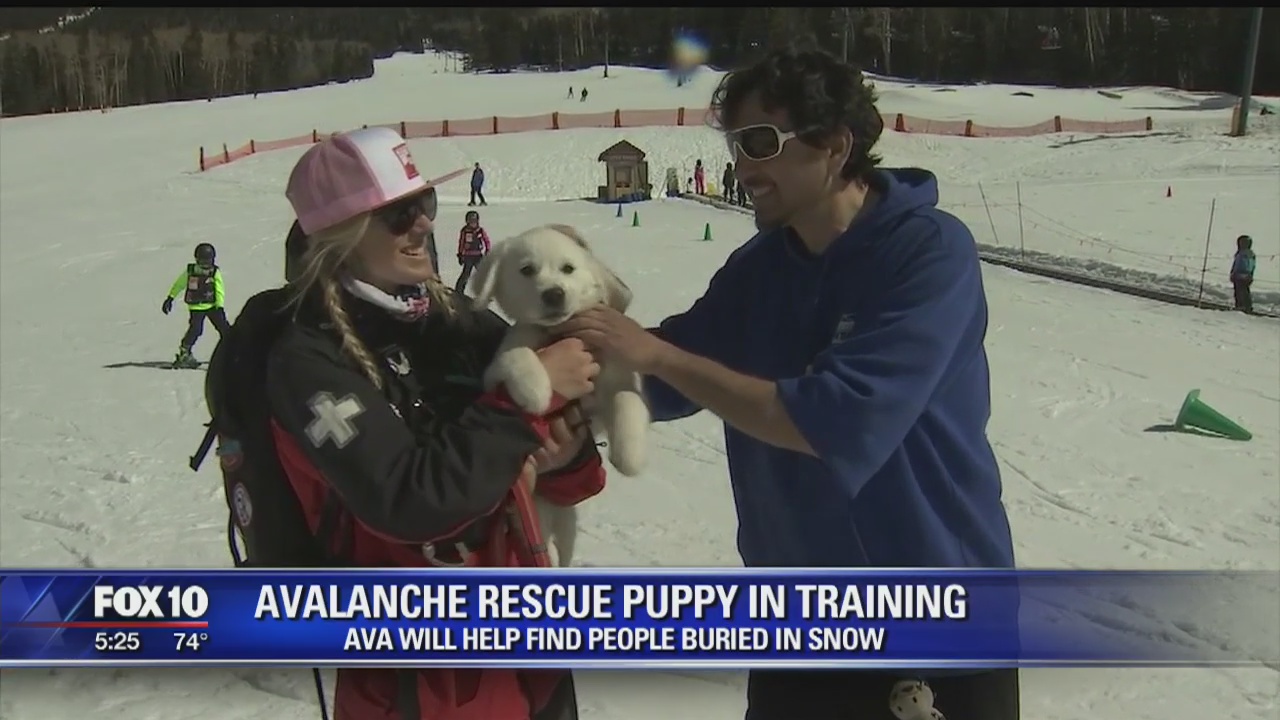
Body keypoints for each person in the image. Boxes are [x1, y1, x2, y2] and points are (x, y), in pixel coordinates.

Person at [555, 48, 1019, 720]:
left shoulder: (926, 252)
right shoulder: (760, 268)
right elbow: (667, 368)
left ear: (835, 146)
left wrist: (656, 358)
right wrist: (550, 374)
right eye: (735, 145)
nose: (742, 166)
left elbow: (835, 421)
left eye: (761, 143)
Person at [269, 126, 604, 719]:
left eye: (423, 205)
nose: (424, 224)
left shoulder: (462, 323)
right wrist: (519, 413)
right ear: (339, 237)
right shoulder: (309, 360)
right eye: (399, 215)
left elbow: (580, 477)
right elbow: (410, 501)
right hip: (418, 676)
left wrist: (560, 450)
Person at [162, 242, 230, 368]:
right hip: (196, 308)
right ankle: (185, 352)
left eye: (208, 262)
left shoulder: (214, 272)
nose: (205, 265)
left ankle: (232, 350)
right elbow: (180, 284)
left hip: (212, 306)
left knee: (224, 328)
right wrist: (170, 297)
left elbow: (219, 288)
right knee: (196, 330)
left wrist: (219, 305)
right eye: (202, 262)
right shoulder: (191, 271)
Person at [455, 209, 492, 293]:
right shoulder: (465, 231)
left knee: (482, 273)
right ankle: (459, 290)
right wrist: (460, 254)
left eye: (474, 221)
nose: (472, 223)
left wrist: (488, 249)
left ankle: (486, 291)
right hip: (468, 256)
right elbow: (461, 242)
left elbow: (486, 240)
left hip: (478, 255)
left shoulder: (480, 231)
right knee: (466, 274)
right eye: (470, 221)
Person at [1230, 234, 1256, 313]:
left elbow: (1238, 265)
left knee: (1239, 292)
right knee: (1245, 291)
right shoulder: (1251, 254)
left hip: (1239, 275)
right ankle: (1247, 306)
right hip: (1247, 276)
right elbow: (1253, 266)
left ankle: (1241, 306)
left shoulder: (1242, 254)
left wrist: (1233, 273)